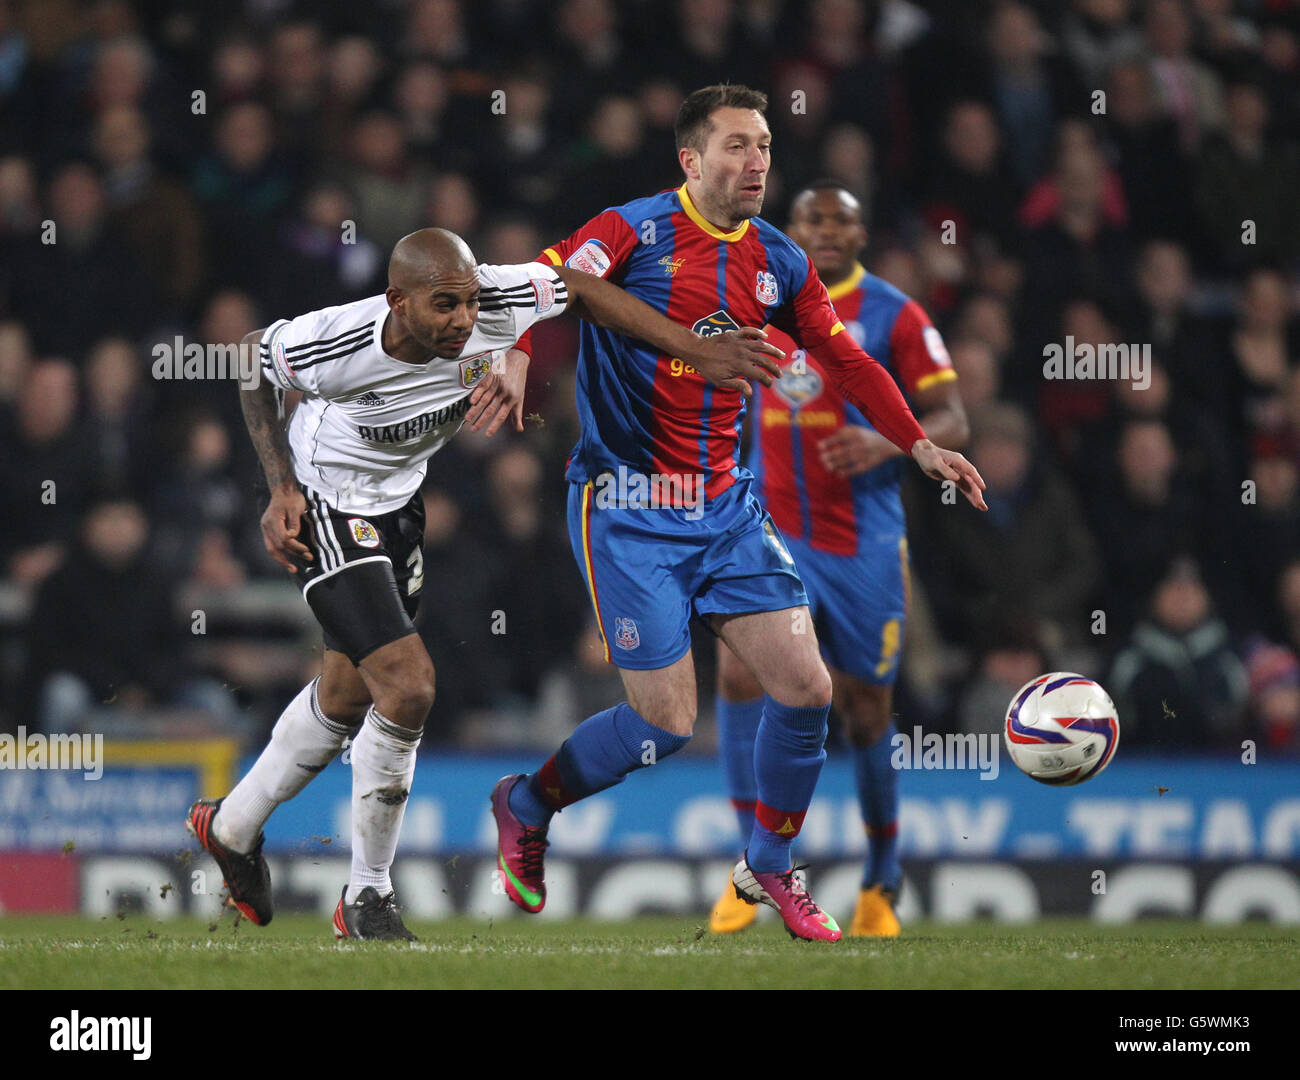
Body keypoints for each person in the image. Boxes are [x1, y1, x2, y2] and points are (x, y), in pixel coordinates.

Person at [186, 226, 787, 940]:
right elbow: (252, 358)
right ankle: (368, 896)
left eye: (471, 305)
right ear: (396, 301)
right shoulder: (339, 342)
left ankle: (231, 826)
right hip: (327, 500)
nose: (463, 321)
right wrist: (278, 487)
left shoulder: (496, 300)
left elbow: (587, 289)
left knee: (348, 692)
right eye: (444, 306)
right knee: (408, 685)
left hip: (397, 506)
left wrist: (679, 349)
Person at [493, 85, 986, 942]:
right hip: (626, 502)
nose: (755, 161)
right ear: (691, 160)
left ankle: (769, 862)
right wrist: (513, 353)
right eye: (735, 146)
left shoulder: (780, 261)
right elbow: (552, 281)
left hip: (724, 504)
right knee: (666, 726)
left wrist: (917, 445)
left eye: (762, 145)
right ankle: (529, 801)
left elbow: (845, 360)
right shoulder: (633, 227)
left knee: (808, 686)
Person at [707, 180, 969, 939]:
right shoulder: (756, 300)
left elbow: (953, 415)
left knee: (863, 710)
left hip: (861, 542)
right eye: (810, 219)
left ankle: (882, 876)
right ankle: (751, 862)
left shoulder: (896, 313)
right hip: (768, 532)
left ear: (860, 235)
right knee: (737, 673)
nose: (824, 231)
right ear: (788, 230)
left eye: (840, 221)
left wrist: (890, 440)